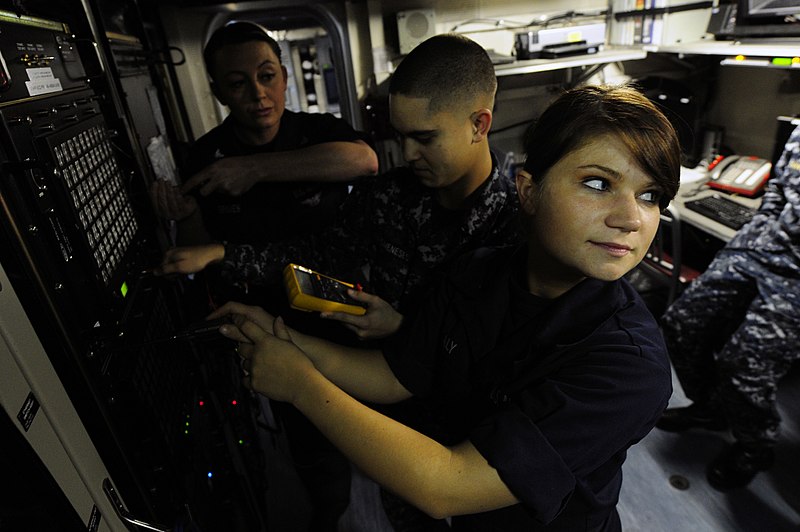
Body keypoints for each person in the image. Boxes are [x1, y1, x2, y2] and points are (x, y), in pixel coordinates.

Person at [209, 84, 681, 531]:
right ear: (529, 190)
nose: (630, 218)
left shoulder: (628, 366)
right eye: (598, 183)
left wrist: (302, 386)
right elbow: (395, 376)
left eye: (650, 196)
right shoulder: (476, 273)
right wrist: (283, 337)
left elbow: (448, 485)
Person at [157, 33, 523, 530]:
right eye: (399, 136)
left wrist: (406, 329)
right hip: (399, 422)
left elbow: (517, 347)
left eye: (424, 137)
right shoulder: (392, 197)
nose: (407, 153)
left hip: (489, 447)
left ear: (479, 124)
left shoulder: (524, 220)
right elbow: (318, 252)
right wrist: (223, 252)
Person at [655, 123, 800, 491]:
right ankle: (709, 407)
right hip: (761, 248)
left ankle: (755, 446)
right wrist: (759, 234)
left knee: (744, 366)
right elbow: (779, 190)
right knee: (683, 325)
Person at [150, 20, 378, 247]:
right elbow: (196, 252)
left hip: (330, 274)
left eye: (267, 76)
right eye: (238, 83)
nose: (258, 93)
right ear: (219, 93)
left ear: (284, 78)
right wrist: (187, 217)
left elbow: (365, 161)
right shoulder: (205, 157)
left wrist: (253, 168)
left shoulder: (319, 130)